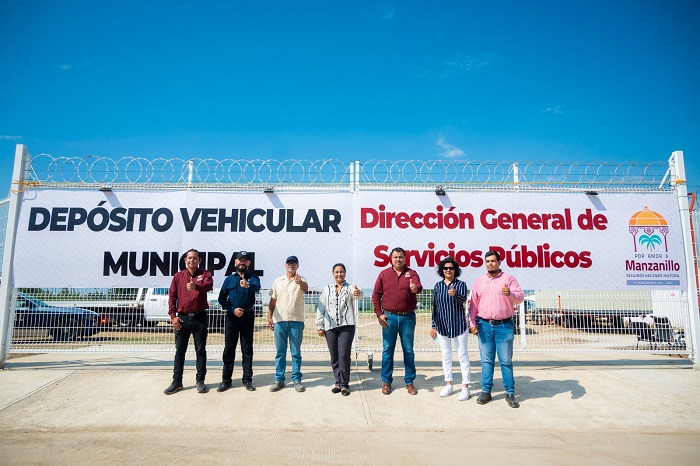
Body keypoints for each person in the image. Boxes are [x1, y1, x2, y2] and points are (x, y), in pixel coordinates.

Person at [468, 250, 524, 408]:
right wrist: (472, 324)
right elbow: (473, 305)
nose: (490, 264)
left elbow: (520, 298)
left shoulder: (508, 279)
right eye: (487, 261)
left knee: (505, 361)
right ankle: (486, 391)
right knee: (486, 361)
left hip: (504, 326)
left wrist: (510, 293)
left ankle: (510, 393)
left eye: (493, 261)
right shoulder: (479, 281)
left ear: (499, 262)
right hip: (484, 325)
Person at [372, 247, 423, 395]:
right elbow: (376, 295)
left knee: (408, 350)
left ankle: (409, 382)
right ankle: (386, 381)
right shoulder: (383, 274)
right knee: (388, 350)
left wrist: (415, 288)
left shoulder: (412, 273)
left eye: (401, 257)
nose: (398, 260)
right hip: (389, 318)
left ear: (405, 258)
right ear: (391, 259)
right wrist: (379, 314)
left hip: (408, 318)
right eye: (395, 257)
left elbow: (418, 286)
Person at [164, 248, 213, 395]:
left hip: (200, 318)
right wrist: (173, 316)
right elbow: (172, 297)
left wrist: (196, 286)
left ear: (199, 260)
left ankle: (200, 381)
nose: (192, 260)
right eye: (189, 258)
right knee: (180, 352)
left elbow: (209, 286)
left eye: (194, 258)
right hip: (182, 319)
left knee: (200, 351)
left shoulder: (205, 274)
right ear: (185, 260)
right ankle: (177, 381)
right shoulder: (178, 276)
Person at [216, 251, 261, 393]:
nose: (242, 262)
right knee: (229, 349)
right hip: (232, 317)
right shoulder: (229, 279)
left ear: (249, 263)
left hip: (247, 317)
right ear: (235, 262)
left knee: (247, 349)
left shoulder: (253, 278)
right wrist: (232, 309)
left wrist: (248, 285)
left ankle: (247, 380)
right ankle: (226, 380)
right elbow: (221, 299)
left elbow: (257, 288)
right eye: (240, 260)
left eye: (245, 260)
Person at [316, 263, 362, 396]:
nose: (339, 274)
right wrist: (319, 326)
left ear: (345, 273)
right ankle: (337, 382)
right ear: (333, 274)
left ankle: (344, 384)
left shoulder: (350, 288)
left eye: (341, 272)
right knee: (334, 355)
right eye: (336, 272)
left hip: (347, 325)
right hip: (330, 326)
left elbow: (358, 295)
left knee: (343, 354)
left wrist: (358, 293)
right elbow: (321, 307)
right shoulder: (327, 289)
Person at [430, 257, 471, 401]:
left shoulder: (461, 284)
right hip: (442, 326)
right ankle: (449, 384)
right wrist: (433, 326)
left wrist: (455, 295)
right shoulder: (438, 286)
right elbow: (435, 307)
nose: (448, 270)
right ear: (442, 270)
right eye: (445, 268)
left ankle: (465, 387)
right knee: (446, 356)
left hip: (459, 325)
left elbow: (463, 300)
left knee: (462, 356)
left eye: (451, 268)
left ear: (455, 270)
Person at [268, 255, 308, 392]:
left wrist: (299, 282)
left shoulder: (301, 280)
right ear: (285, 265)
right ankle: (279, 379)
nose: (291, 265)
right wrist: (269, 316)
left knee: (296, 352)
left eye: (294, 263)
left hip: (296, 321)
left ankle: (296, 379)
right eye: (289, 263)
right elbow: (273, 300)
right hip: (279, 321)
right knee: (280, 352)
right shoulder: (278, 281)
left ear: (297, 266)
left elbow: (306, 288)